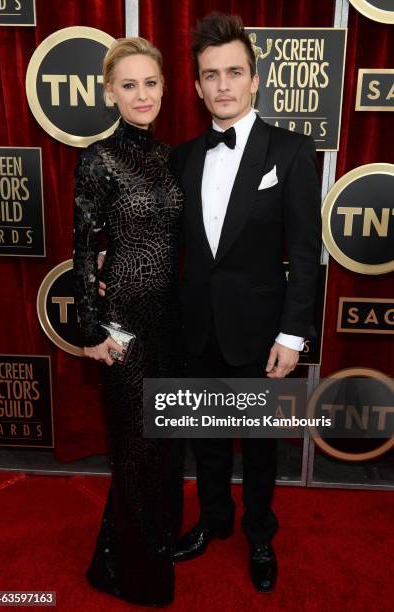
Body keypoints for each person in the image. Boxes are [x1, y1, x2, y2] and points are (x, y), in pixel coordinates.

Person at [170, 13, 322, 593]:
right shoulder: (183, 157)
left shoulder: (290, 150)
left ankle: (260, 532)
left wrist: (292, 335)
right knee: (205, 437)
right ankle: (213, 522)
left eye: (235, 72)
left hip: (262, 334)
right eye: (211, 75)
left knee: (259, 447)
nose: (223, 85)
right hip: (198, 329)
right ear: (197, 85)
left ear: (255, 80)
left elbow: (306, 253)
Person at [73, 37, 184, 606]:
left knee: (163, 451)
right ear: (109, 91)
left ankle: (121, 556)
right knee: (136, 453)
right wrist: (92, 332)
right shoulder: (98, 158)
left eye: (151, 83)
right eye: (129, 84)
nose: (142, 95)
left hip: (168, 327)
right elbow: (83, 249)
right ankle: (140, 579)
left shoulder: (170, 156)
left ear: (164, 88)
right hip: (125, 331)